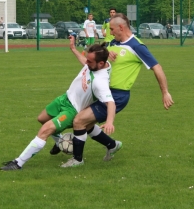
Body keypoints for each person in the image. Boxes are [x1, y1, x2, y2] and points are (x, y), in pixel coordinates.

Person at [61, 13, 174, 168]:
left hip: (117, 95)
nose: (110, 32)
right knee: (85, 124)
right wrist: (107, 51)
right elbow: (97, 55)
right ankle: (112, 145)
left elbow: (157, 67)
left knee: (79, 121)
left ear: (121, 27)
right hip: (100, 91)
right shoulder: (113, 42)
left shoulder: (137, 46)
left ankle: (77, 159)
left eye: (112, 29)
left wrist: (165, 92)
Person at [0, 36, 116, 171]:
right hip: (64, 98)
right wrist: (73, 49)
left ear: (101, 63)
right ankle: (60, 141)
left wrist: (109, 122)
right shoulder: (96, 64)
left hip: (72, 109)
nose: (87, 63)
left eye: (90, 62)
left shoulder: (100, 81)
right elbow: (85, 61)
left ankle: (18, 163)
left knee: (45, 130)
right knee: (41, 118)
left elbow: (111, 103)